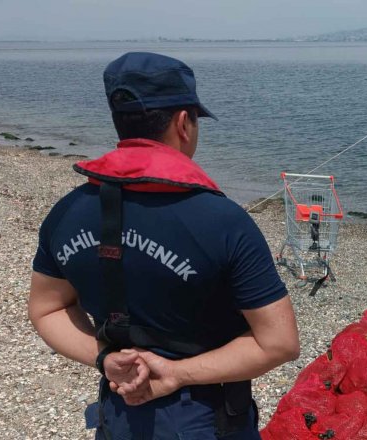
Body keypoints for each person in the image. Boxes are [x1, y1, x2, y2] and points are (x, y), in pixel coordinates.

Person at [27, 52, 300, 439]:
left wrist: (106, 358)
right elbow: (280, 343)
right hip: (208, 416)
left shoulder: (67, 212)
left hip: (119, 410)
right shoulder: (223, 222)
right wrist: (174, 373)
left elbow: (46, 308)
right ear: (183, 123)